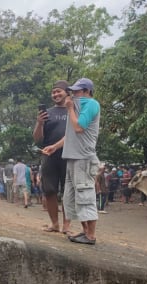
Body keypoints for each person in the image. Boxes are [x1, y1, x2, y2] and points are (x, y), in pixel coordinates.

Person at [60, 78, 100, 245]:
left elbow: (79, 128)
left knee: (85, 195)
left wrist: (70, 108)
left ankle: (90, 235)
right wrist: (54, 147)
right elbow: (69, 136)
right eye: (73, 91)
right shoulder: (77, 106)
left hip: (84, 158)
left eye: (77, 91)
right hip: (73, 157)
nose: (74, 94)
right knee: (72, 197)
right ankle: (84, 231)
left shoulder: (91, 104)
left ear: (87, 91)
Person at [36, 80, 71, 234]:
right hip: (49, 156)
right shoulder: (47, 113)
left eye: (59, 91)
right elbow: (37, 139)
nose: (55, 94)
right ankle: (54, 223)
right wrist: (39, 124)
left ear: (67, 92)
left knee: (68, 191)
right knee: (49, 190)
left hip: (69, 155)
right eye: (53, 92)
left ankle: (66, 225)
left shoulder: (73, 111)